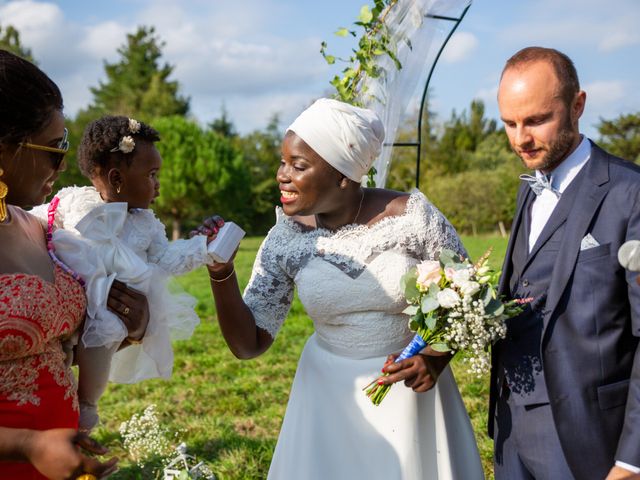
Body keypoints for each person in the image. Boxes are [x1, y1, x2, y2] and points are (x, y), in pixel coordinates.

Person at [202, 98, 484, 479]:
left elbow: (471, 295)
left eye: (298, 165)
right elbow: (248, 344)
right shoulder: (285, 238)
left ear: (343, 175)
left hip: (411, 395)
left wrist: (435, 356)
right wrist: (221, 273)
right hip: (326, 396)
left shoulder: (412, 216)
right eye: (283, 162)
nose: (281, 175)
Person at [490, 46, 640, 480]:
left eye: (536, 120)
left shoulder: (630, 193)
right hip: (511, 430)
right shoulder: (527, 188)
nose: (521, 139)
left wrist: (632, 460)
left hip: (589, 437)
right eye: (509, 123)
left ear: (577, 105)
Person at [0, 50, 150, 479]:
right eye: (53, 148)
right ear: (3, 148)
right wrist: (27, 444)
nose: (64, 164)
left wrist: (131, 329)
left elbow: (52, 346)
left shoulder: (40, 228)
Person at [30, 115, 220, 432]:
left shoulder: (146, 221)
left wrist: (202, 247)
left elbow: (163, 257)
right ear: (117, 179)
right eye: (152, 174)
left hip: (106, 303)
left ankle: (87, 402)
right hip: (68, 289)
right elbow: (38, 225)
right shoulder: (77, 200)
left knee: (106, 330)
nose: (158, 184)